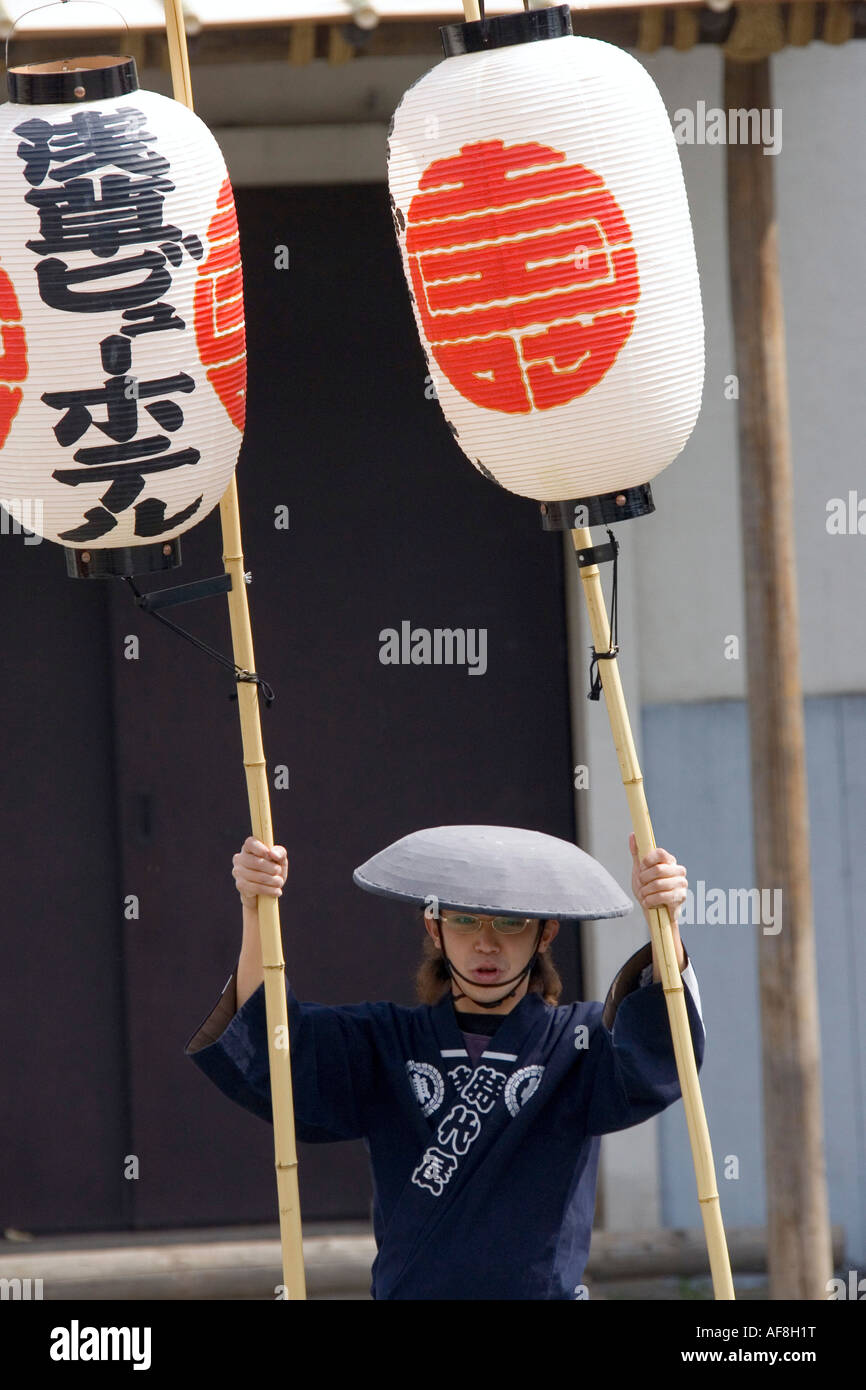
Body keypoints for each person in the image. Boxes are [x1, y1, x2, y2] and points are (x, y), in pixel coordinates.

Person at [185, 823, 704, 1301]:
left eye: (510, 921)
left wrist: (666, 922)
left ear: (545, 934)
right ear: (434, 929)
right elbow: (273, 1043)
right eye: (462, 919)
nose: (486, 942)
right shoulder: (385, 1041)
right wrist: (256, 909)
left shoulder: (579, 1044)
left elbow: (658, 1044)